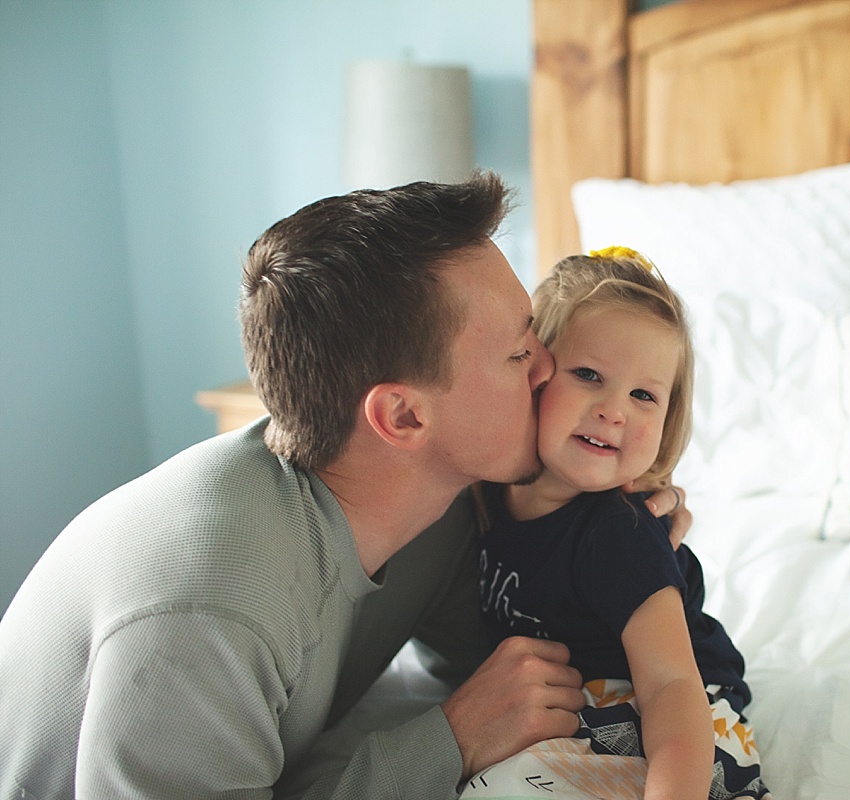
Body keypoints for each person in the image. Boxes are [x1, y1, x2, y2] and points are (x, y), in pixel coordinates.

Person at [0, 174, 690, 800]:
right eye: (519, 353)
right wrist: (447, 739)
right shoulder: (207, 610)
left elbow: (497, 650)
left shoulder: (445, 506)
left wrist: (617, 532)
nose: (549, 369)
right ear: (404, 415)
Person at [466, 248, 770, 799]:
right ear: (533, 372)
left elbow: (672, 686)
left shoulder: (619, 533)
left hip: (681, 719)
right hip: (576, 704)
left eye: (643, 394)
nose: (615, 410)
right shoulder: (487, 488)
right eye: (588, 374)